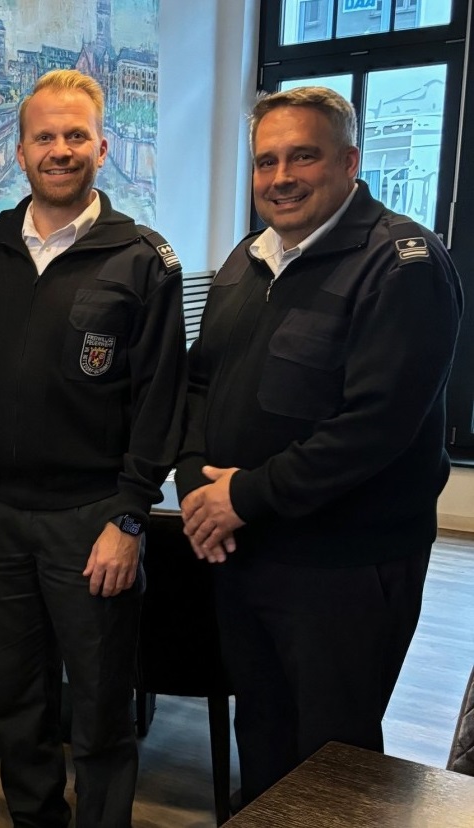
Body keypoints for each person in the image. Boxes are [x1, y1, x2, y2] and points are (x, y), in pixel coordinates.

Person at [176, 86, 463, 805]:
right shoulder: (248, 260)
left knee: (335, 758)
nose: (281, 176)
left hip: (346, 566)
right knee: (263, 734)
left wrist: (240, 495)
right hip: (247, 554)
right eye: (266, 160)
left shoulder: (401, 264)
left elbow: (376, 428)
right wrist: (195, 490)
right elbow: (200, 384)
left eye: (302, 155)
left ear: (349, 161)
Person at [0, 69, 186, 828]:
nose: (60, 149)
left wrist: (130, 517)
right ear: (19, 151)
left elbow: (161, 400)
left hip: (92, 522)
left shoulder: (142, 258)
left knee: (101, 707)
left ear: (103, 147)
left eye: (75, 135)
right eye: (45, 136)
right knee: (16, 703)